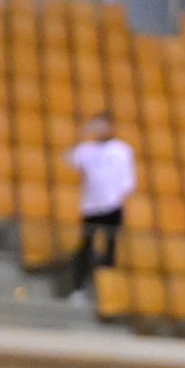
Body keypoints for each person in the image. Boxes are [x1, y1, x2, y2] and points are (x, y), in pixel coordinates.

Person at [66, 111, 135, 297]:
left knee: (110, 251)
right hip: (91, 207)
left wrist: (112, 198)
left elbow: (128, 181)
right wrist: (81, 135)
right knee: (85, 248)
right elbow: (70, 159)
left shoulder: (122, 150)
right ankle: (78, 289)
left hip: (112, 207)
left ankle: (107, 293)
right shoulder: (86, 149)